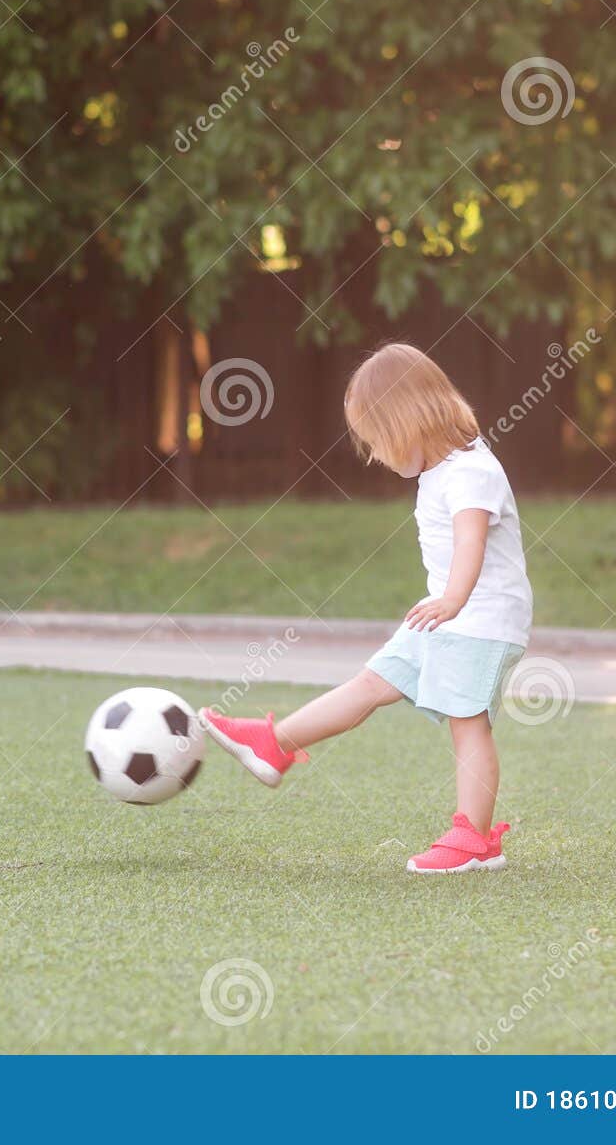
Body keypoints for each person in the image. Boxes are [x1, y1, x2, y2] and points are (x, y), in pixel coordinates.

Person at [201, 342, 533, 873]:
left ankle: (474, 837)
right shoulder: (441, 473)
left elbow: (471, 540)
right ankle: (274, 743)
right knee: (371, 683)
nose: (376, 456)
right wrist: (443, 603)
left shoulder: (471, 471)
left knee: (466, 721)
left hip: (480, 618)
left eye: (378, 441)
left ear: (408, 422)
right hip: (443, 614)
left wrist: (452, 598)